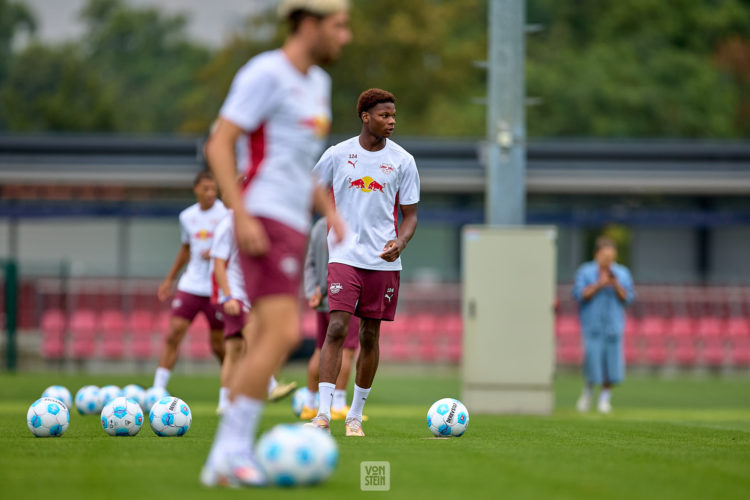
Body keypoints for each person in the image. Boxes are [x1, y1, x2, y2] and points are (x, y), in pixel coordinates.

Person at [200, 0, 350, 487]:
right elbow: (219, 144)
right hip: (264, 217)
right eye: (339, 25)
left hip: (290, 219)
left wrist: (330, 214)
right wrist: (239, 212)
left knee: (269, 337)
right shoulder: (264, 72)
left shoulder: (319, 85)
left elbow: (298, 162)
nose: (345, 36)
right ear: (308, 24)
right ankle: (232, 451)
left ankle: (224, 457)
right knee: (283, 335)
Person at [308, 88, 420, 437]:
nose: (392, 121)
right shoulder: (337, 155)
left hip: (383, 263)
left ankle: (355, 414)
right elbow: (310, 189)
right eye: (385, 115)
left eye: (394, 115)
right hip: (343, 257)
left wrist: (400, 243)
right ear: (365, 117)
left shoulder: (403, 161)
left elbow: (411, 215)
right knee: (337, 327)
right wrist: (331, 218)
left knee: (370, 336)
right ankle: (323, 414)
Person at [210, 192, 297, 416]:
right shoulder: (228, 223)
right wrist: (228, 296)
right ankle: (270, 385)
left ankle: (224, 403)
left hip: (248, 295)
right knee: (252, 338)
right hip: (233, 295)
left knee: (235, 349)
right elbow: (218, 263)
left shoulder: (255, 219)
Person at [154, 170, 228, 396]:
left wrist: (217, 252)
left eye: (214, 189)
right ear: (196, 189)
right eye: (205, 189)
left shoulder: (226, 214)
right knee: (174, 332)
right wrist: (169, 280)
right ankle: (158, 390)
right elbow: (186, 249)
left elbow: (236, 247)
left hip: (216, 287)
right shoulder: (187, 217)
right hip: (191, 285)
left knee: (218, 345)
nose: (210, 193)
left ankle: (230, 387)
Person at [301, 216, 362, 421]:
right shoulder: (347, 223)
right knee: (346, 350)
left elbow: (309, 262)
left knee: (321, 348)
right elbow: (344, 262)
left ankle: (309, 404)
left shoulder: (317, 226)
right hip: (343, 296)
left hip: (320, 298)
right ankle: (338, 403)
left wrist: (313, 291)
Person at [572, 236, 635, 414]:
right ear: (596, 254)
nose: (608, 259)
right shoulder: (585, 271)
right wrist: (600, 284)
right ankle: (588, 392)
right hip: (592, 325)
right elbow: (579, 294)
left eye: (611, 255)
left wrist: (614, 283)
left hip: (613, 325)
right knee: (593, 362)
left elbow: (628, 298)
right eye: (604, 255)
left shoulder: (622, 273)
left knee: (611, 364)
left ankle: (605, 398)